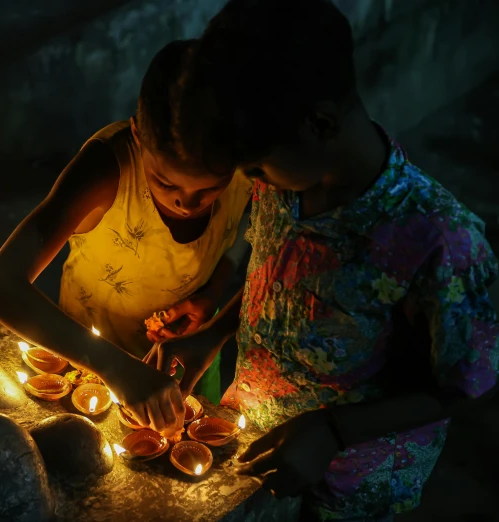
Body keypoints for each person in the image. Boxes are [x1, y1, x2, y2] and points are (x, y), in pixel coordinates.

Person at [145, 0, 499, 520]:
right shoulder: (289, 183)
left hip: (352, 487)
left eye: (256, 165)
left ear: (321, 123)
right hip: (257, 448)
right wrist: (217, 331)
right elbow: (294, 281)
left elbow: (468, 381)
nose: (251, 179)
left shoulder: (437, 240)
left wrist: (332, 431)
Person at [0, 40, 253, 434]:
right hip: (83, 356)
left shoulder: (243, 164)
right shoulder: (107, 171)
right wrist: (114, 366)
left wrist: (214, 292)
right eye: (164, 181)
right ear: (138, 135)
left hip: (190, 353)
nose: (186, 202)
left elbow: (248, 224)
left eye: (210, 190)